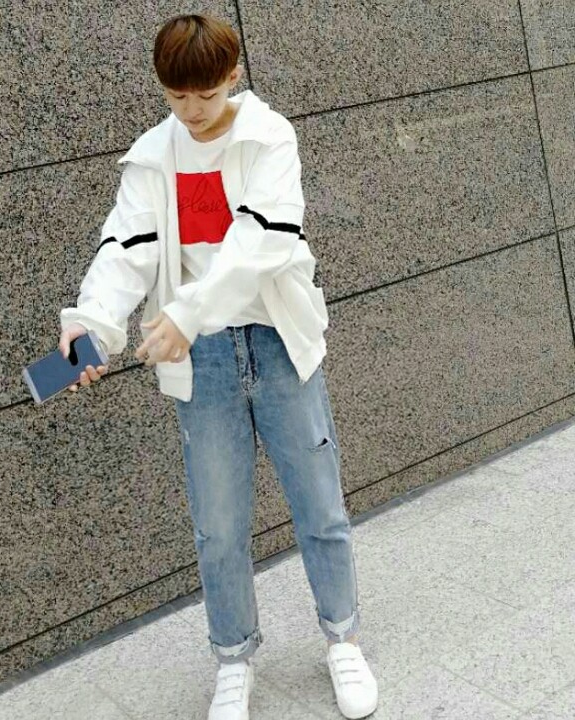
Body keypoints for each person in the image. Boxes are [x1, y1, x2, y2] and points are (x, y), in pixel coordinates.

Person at [58, 13, 378, 720]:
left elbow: (264, 241)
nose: (192, 111)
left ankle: (343, 639)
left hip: (277, 341)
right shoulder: (153, 157)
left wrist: (186, 312)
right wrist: (93, 327)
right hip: (200, 359)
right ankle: (234, 659)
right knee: (219, 524)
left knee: (318, 503)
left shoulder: (269, 137)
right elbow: (126, 247)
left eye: (205, 94)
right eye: (177, 97)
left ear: (232, 76)